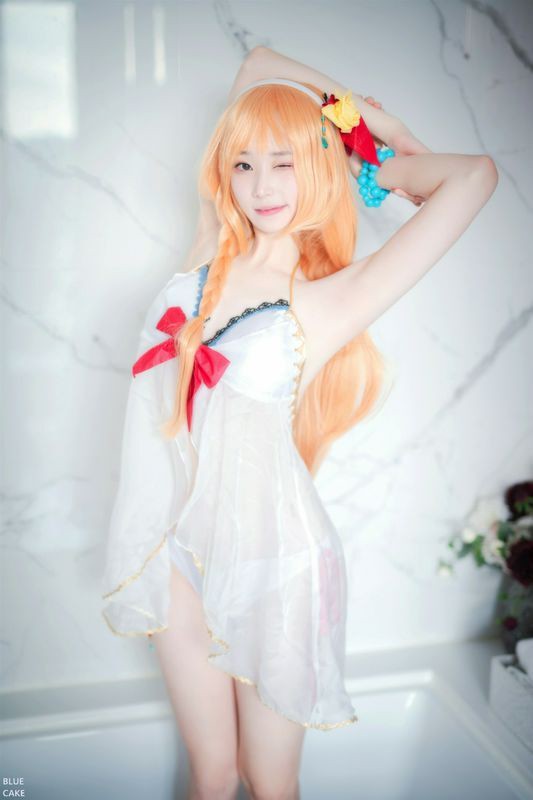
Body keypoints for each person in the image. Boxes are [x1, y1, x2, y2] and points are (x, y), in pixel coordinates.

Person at [101, 46, 498, 800]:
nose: (261, 186)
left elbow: (474, 176)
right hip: (176, 550)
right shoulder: (205, 254)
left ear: (316, 167)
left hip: (273, 563)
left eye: (284, 163)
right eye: (244, 164)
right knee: (212, 774)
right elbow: (258, 63)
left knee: (268, 782)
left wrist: (376, 141)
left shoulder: (328, 300)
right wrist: (342, 111)